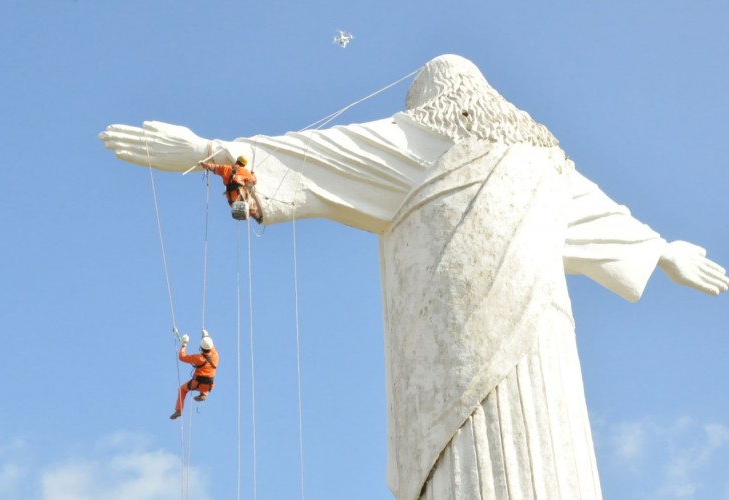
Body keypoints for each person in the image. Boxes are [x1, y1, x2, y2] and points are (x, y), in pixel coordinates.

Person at [102, 55, 729, 499]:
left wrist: (208, 150)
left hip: (523, 353)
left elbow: (311, 156)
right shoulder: (532, 156)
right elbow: (610, 221)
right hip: (455, 355)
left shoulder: (441, 141)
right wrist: (664, 250)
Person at [170, 329, 219, 420]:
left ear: (201, 348)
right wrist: (206, 335)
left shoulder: (198, 358)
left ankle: (178, 410)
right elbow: (211, 346)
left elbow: (182, 357)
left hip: (196, 384)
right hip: (209, 387)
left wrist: (184, 344)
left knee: (182, 390)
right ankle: (203, 394)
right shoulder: (216, 355)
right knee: (206, 378)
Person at [200, 155, 263, 222]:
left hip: (230, 196)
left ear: (237, 161)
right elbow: (254, 182)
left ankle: (253, 216)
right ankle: (258, 218)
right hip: (239, 194)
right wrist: (253, 175)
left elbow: (213, 167)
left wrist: (203, 164)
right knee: (252, 206)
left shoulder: (225, 168)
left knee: (244, 206)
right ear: (244, 165)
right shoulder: (245, 171)